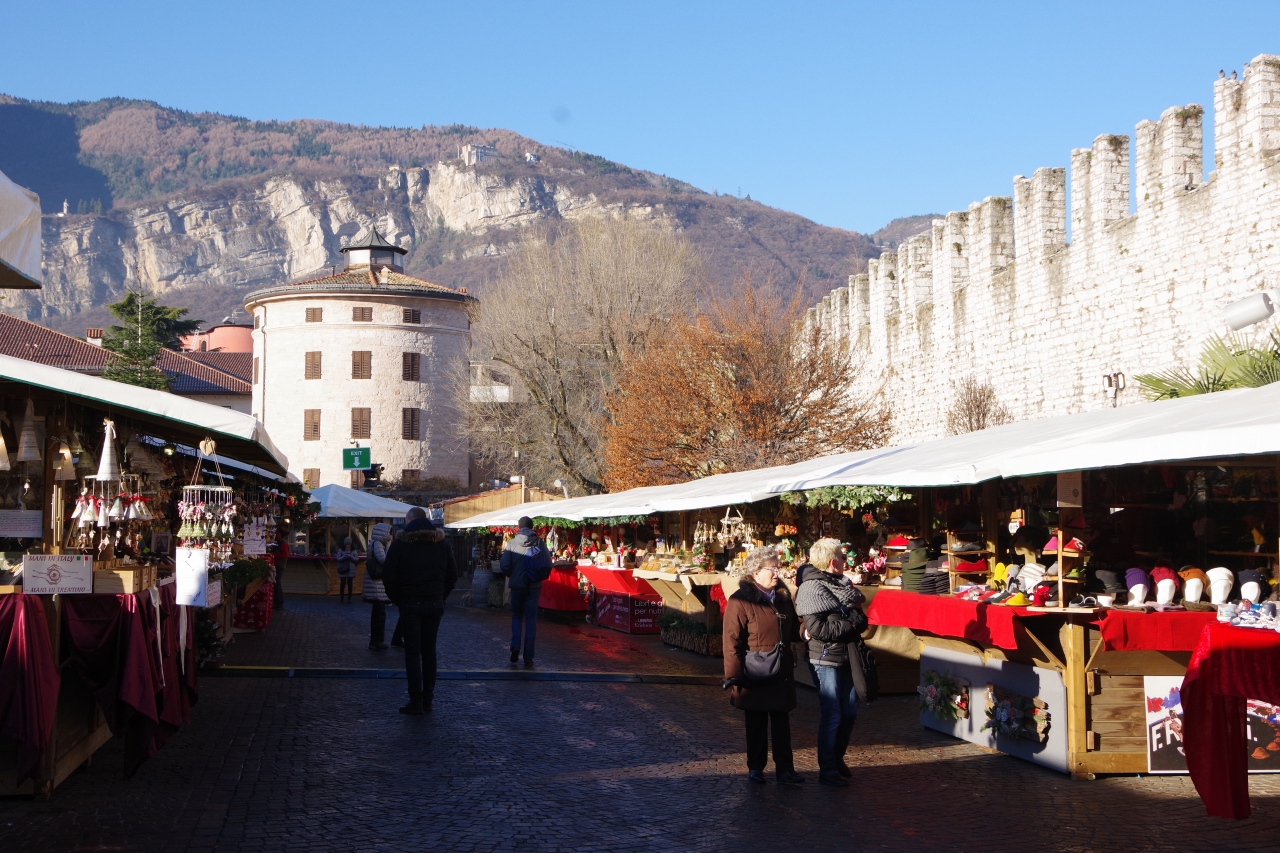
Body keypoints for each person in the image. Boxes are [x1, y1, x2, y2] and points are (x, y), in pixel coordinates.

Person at [722, 546, 804, 785]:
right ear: (756, 573)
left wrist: (805, 632)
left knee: (781, 721)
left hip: (781, 669)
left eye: (778, 567)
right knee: (756, 722)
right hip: (755, 669)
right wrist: (734, 675)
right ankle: (755, 768)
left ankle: (785, 770)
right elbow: (731, 641)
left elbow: (792, 631)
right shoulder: (740, 600)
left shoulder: (783, 597)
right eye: (772, 568)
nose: (777, 573)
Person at [795, 538, 867, 787]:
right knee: (833, 714)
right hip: (824, 658)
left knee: (850, 711)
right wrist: (850, 624)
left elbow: (862, 618)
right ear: (831, 561)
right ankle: (827, 768)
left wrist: (853, 622)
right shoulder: (811, 589)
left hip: (847, 654)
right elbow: (817, 629)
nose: (846, 561)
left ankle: (837, 758)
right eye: (842, 557)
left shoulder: (844, 584)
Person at [382, 507, 458, 715]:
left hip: (410, 603)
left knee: (413, 653)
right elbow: (452, 575)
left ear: (409, 520)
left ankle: (416, 699)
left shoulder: (400, 544)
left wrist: (398, 599)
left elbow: (388, 575)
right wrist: (441, 596)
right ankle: (428, 698)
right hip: (434, 603)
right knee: (429, 651)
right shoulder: (441, 544)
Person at [499, 516, 552, 667]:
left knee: (516, 616)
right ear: (532, 526)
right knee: (530, 621)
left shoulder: (512, 543)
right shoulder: (539, 543)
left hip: (517, 586)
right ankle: (528, 657)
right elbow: (548, 564)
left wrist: (513, 575)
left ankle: (515, 645)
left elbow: (505, 565)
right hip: (534, 586)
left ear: (519, 527)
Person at [363, 523, 393, 650]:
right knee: (379, 613)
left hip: (376, 584)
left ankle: (376, 640)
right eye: (389, 533)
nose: (391, 536)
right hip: (376, 584)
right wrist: (388, 547)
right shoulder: (378, 544)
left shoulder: (375, 543)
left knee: (378, 613)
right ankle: (377, 641)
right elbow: (384, 560)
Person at [335, 537, 358, 603]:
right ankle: (341, 597)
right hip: (343, 569)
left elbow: (357, 559)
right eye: (346, 544)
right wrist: (344, 557)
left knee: (350, 584)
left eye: (349, 544)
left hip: (351, 569)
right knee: (342, 583)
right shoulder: (341, 550)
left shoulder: (353, 550)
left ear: (351, 544)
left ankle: (349, 598)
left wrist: (351, 557)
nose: (347, 546)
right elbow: (338, 559)